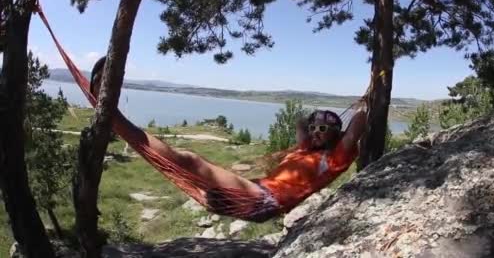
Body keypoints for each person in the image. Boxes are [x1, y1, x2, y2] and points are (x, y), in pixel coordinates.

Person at [90, 56, 366, 222]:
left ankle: (111, 114)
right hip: (255, 194)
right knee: (194, 179)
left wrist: (366, 99)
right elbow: (300, 124)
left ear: (335, 136)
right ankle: (112, 115)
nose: (315, 133)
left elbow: (357, 127)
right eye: (315, 128)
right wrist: (314, 124)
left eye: (323, 130)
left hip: (264, 200)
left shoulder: (333, 158)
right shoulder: (304, 149)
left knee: (190, 161)